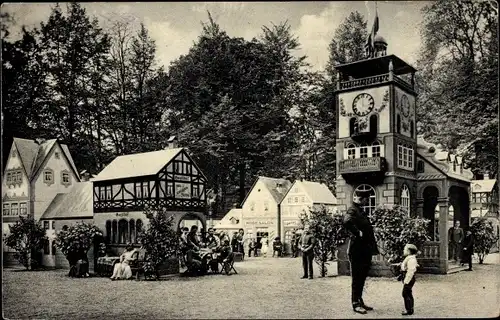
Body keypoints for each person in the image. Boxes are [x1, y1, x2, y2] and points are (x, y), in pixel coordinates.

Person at [343, 192, 379, 314]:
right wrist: (357, 232)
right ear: (361, 199)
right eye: (366, 200)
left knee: (362, 278)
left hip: (364, 250)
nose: (367, 202)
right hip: (357, 250)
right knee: (357, 278)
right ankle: (355, 304)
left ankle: (360, 300)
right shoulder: (353, 210)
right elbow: (347, 221)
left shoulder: (359, 210)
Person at [399, 244, 419, 316]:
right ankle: (410, 309)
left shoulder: (411, 259)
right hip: (409, 278)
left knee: (405, 293)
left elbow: (411, 271)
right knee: (408, 293)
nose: (404, 250)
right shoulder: (409, 258)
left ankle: (409, 310)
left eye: (405, 249)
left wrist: (406, 281)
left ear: (409, 251)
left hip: (409, 278)